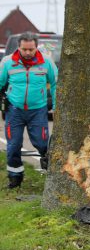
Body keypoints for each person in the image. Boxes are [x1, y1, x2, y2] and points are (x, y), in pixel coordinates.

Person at [0, 32, 57, 188]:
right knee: (13, 146)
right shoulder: (7, 62)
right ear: (19, 47)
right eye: (24, 49)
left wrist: (57, 106)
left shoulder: (46, 62)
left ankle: (51, 176)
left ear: (36, 47)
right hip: (14, 111)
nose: (27, 53)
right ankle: (15, 179)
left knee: (42, 144)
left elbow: (56, 83)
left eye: (31, 49)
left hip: (38, 111)